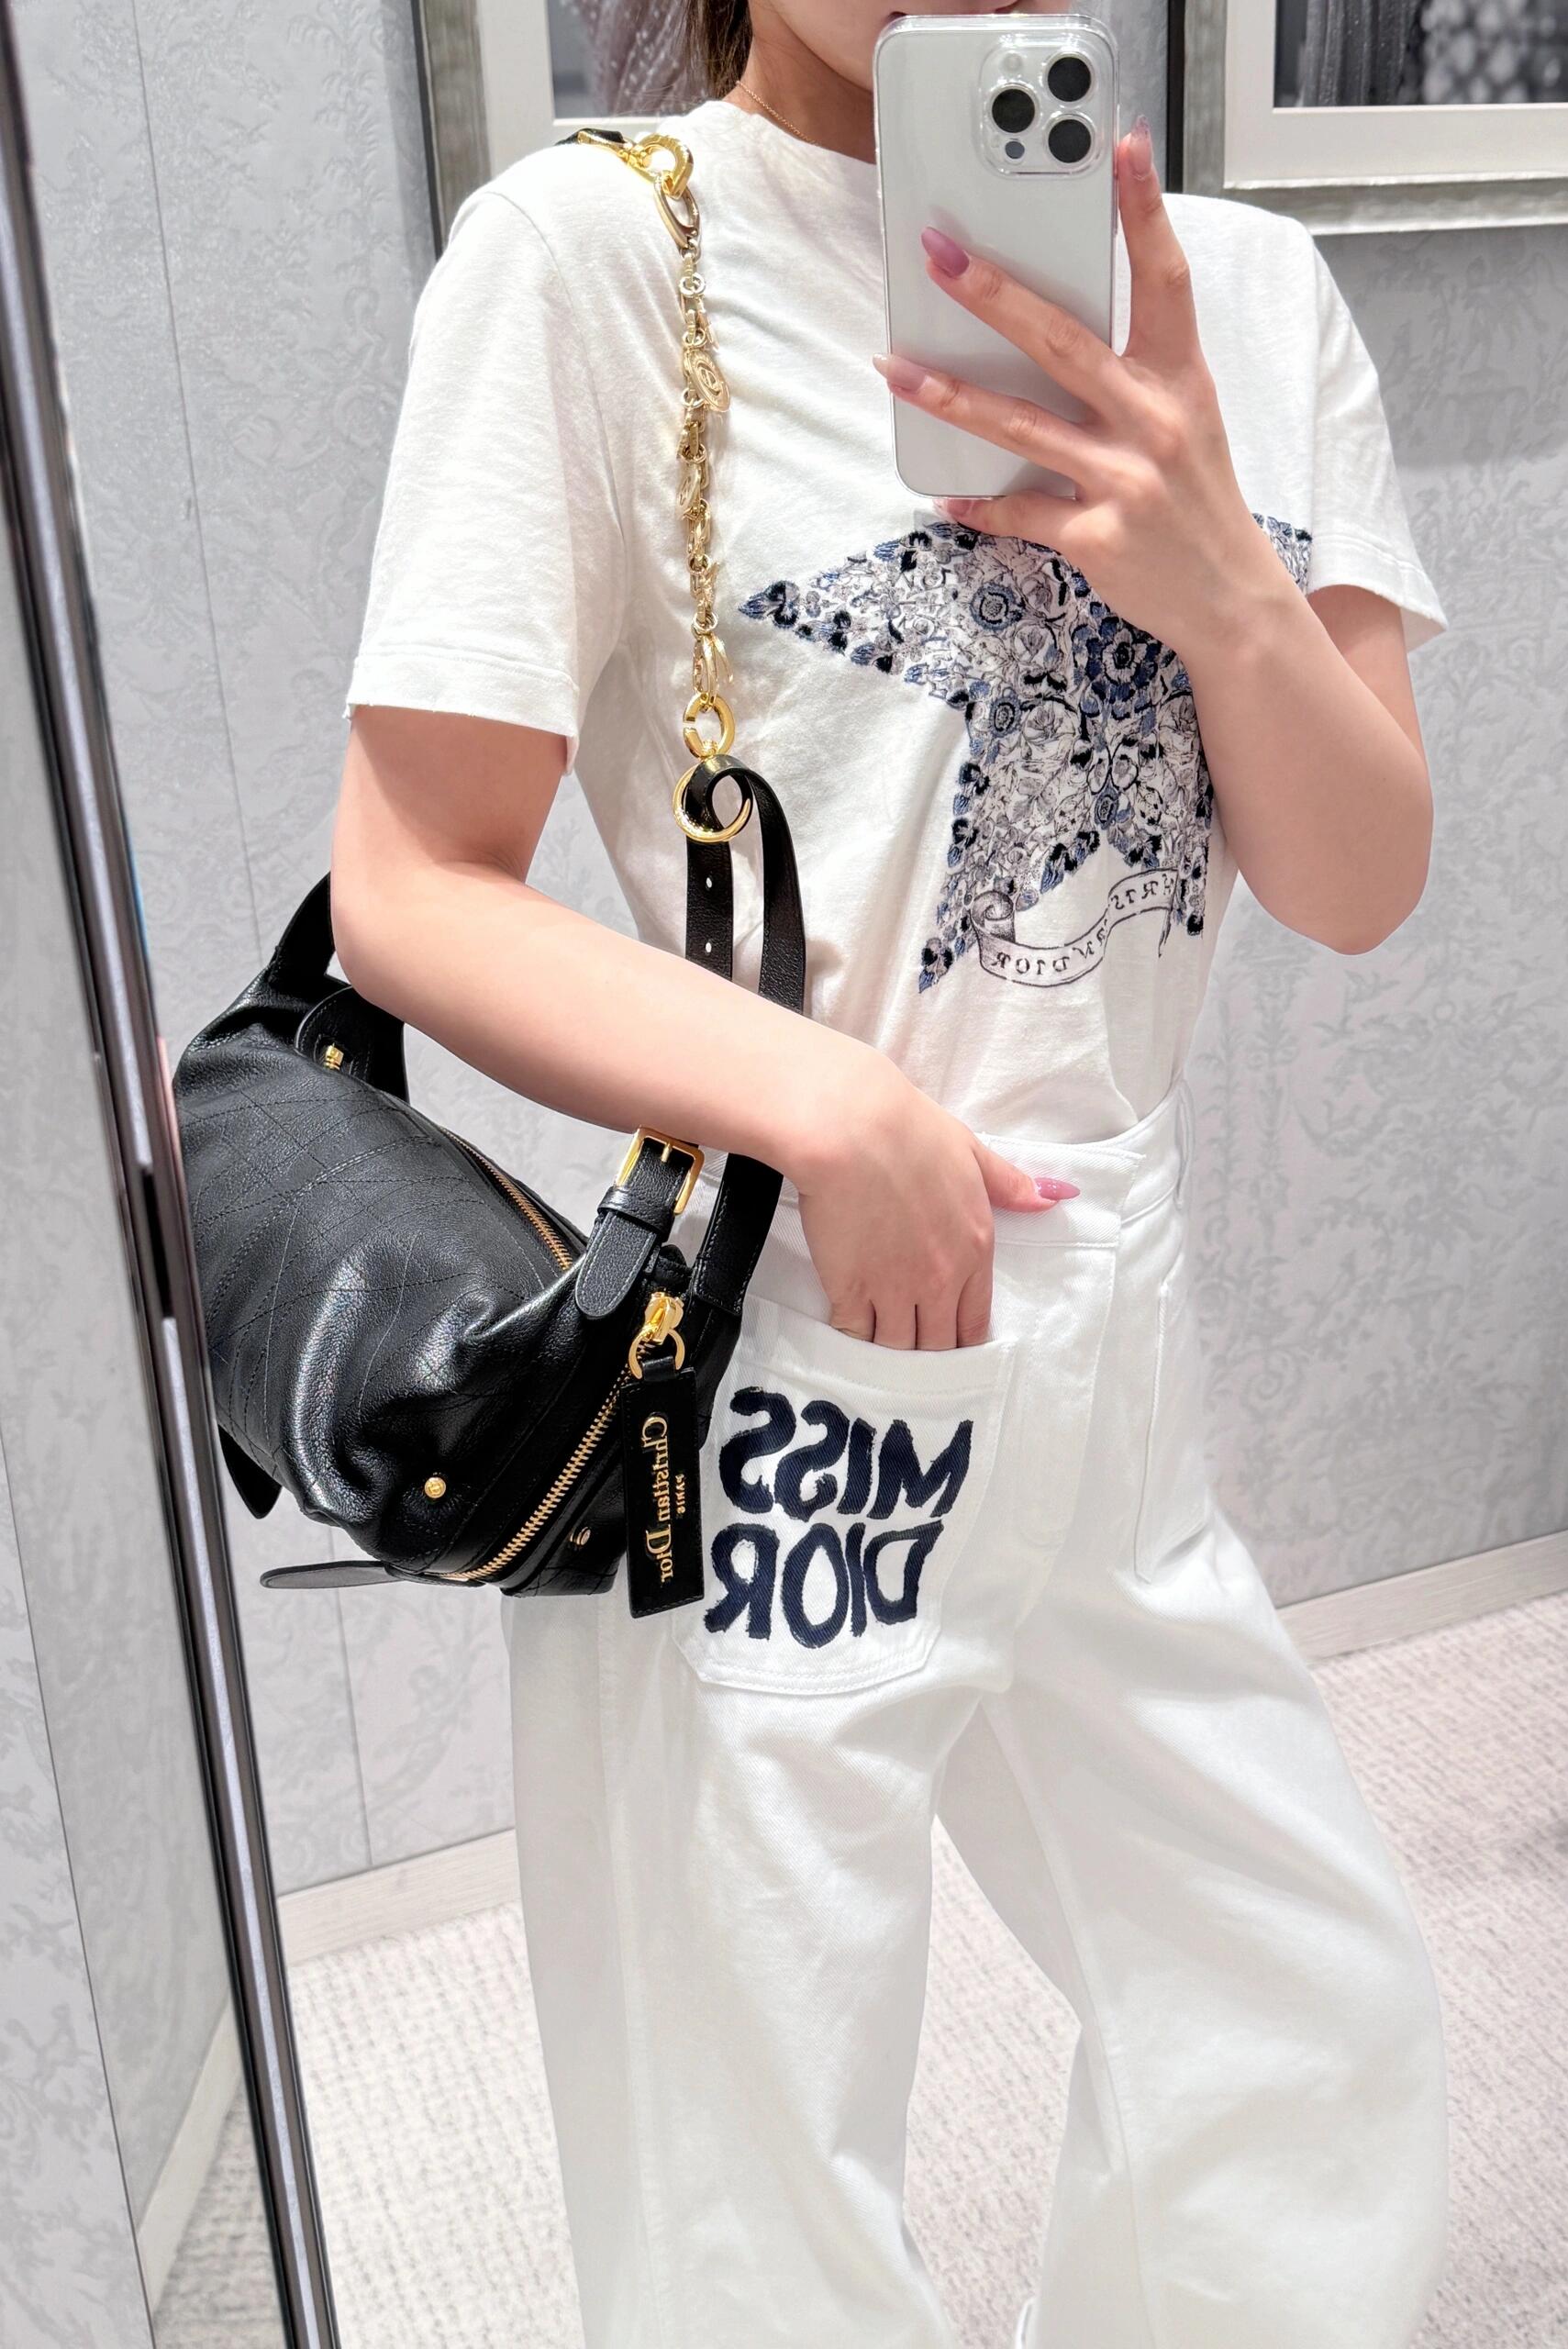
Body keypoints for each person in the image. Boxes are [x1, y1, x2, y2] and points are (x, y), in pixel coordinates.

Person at [333, 4, 1451, 2342]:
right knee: (751, 2183)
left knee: (1302, 2024)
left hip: (1108, 1331)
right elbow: (412, 886)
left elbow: (1356, 881)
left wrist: (1223, 578)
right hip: (777, 1353)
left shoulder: (1246, 296)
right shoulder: (596, 259)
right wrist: (830, 1106)